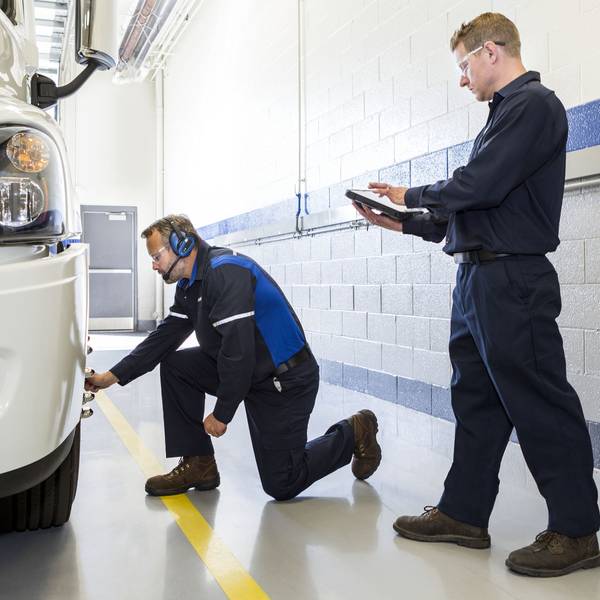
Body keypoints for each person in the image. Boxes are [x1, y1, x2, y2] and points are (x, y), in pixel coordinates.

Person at [353, 12, 600, 577]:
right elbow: (478, 211)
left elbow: (479, 186)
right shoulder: (502, 117)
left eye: (464, 65)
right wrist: (405, 221)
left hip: (512, 280)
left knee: (540, 401)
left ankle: (578, 529)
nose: (462, 79)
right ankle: (465, 514)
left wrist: (410, 191)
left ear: (491, 52)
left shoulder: (535, 106)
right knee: (478, 404)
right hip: (478, 278)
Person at [85, 214, 381, 501]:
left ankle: (355, 430)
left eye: (157, 256)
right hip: (254, 373)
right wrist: (111, 376)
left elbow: (237, 352)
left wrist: (223, 412)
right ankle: (199, 465)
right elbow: (164, 339)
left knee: (282, 483)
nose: (153, 265)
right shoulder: (190, 285)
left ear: (183, 244)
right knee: (177, 366)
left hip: (286, 381)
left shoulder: (226, 272)